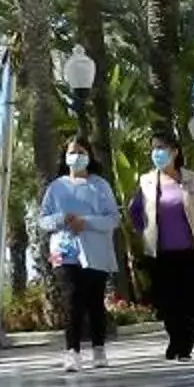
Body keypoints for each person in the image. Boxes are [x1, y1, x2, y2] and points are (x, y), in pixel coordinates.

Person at [128, 137, 194, 360]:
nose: (156, 153)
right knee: (168, 302)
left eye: (161, 148)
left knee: (191, 301)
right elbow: (134, 211)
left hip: (191, 252)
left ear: (175, 152)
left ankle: (184, 345)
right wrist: (145, 231)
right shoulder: (147, 182)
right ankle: (175, 338)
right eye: (154, 149)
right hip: (161, 254)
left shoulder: (193, 180)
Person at [39, 138, 123, 370]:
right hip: (64, 252)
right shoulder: (56, 187)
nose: (76, 156)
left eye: (81, 152)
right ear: (65, 157)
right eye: (72, 152)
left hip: (95, 252)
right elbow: (44, 220)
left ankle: (99, 349)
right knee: (72, 300)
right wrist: (63, 219)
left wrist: (85, 221)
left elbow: (113, 219)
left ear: (89, 155)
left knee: (95, 302)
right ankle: (72, 352)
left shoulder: (100, 186)